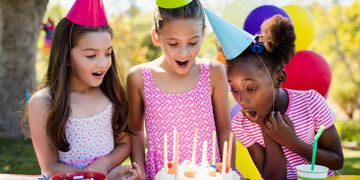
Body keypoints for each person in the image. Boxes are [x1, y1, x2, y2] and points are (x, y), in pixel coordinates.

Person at [206, 10, 344, 179]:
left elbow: (337, 161)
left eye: (250, 88)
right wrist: (267, 127)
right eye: (234, 89)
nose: (241, 100)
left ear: (278, 80)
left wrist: (292, 142)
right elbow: (274, 177)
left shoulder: (311, 102)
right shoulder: (242, 123)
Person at [27, 0, 141, 179]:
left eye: (108, 53)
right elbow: (49, 167)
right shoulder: (43, 102)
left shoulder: (111, 94)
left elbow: (124, 144)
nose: (103, 63)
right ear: (66, 56)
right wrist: (94, 175)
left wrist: (105, 164)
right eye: (91, 55)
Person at [127, 0, 235, 179]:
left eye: (193, 43)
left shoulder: (214, 72)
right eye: (173, 44)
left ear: (203, 33)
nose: (184, 53)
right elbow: (136, 131)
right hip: (160, 174)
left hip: (210, 173)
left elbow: (224, 130)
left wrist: (228, 173)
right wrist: (141, 174)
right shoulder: (139, 78)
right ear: (156, 36)